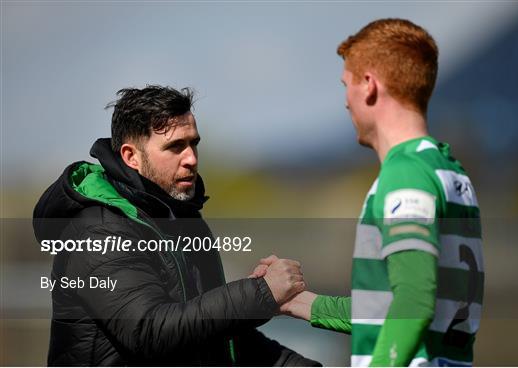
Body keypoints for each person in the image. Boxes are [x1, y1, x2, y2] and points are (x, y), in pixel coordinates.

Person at [33, 85, 320, 366]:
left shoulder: (183, 221)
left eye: (193, 143)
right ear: (130, 156)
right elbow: (148, 332)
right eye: (175, 147)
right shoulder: (98, 229)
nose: (191, 159)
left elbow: (215, 337)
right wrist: (261, 293)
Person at [253, 18, 484, 367]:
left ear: (369, 86)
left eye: (346, 84)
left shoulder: (404, 173)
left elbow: (414, 301)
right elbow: (396, 306)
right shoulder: (448, 170)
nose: (346, 101)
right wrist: (297, 303)